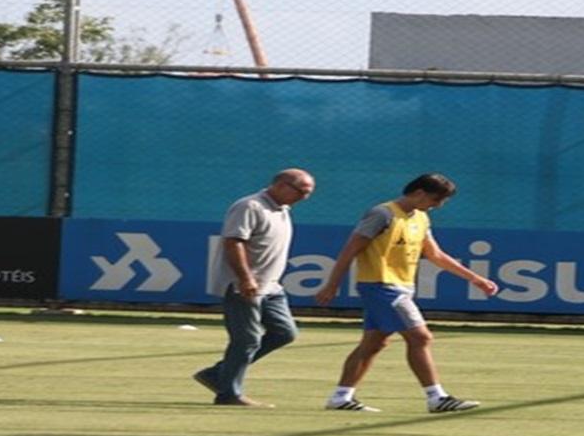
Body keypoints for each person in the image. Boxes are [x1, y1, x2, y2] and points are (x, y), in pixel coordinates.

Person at [314, 172, 499, 413]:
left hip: (400, 286)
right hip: (382, 286)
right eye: (435, 199)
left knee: (374, 344)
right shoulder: (383, 214)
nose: (438, 206)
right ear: (419, 193)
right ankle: (436, 397)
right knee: (421, 337)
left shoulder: (420, 218)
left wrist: (475, 278)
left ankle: (340, 397)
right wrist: (332, 284)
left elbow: (435, 254)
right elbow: (350, 250)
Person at [191, 168, 316, 408]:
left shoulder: (282, 210)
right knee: (246, 340)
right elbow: (234, 242)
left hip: (271, 286)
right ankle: (228, 393)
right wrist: (245, 278)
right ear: (281, 185)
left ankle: (218, 374)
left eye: (309, 193)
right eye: (302, 191)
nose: (305, 197)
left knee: (284, 333)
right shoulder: (250, 206)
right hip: (244, 285)